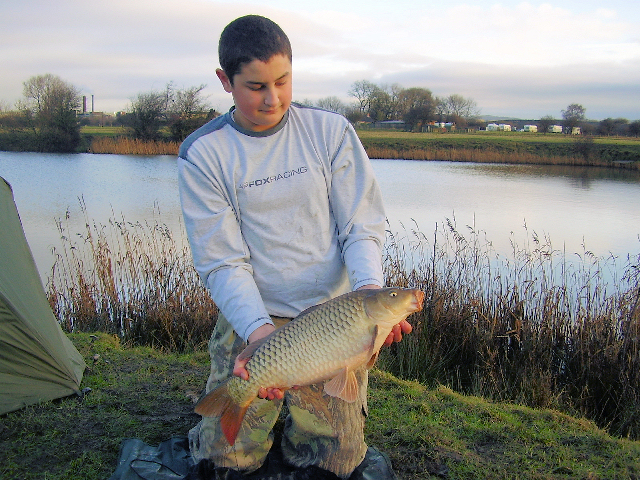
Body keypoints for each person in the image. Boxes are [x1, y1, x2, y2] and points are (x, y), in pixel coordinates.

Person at [177, 15, 411, 479]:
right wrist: (260, 332)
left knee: (335, 461)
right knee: (226, 458)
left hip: (334, 315)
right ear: (225, 81)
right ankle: (230, 424)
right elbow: (222, 261)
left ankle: (310, 429)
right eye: (256, 86)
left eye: (283, 81)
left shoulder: (330, 132)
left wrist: (368, 296)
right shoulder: (204, 153)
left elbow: (362, 225)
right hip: (256, 317)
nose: (273, 98)